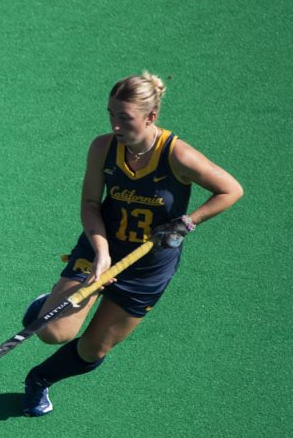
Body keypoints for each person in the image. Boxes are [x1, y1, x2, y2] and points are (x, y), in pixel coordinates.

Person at [19, 72, 243, 416]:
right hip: (101, 247)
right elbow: (91, 204)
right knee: (52, 332)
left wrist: (188, 221)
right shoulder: (103, 147)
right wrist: (102, 253)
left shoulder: (177, 156)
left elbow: (231, 189)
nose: (116, 125)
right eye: (111, 114)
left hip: (148, 266)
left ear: (150, 117)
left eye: (125, 118)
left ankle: (39, 380)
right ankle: (48, 307)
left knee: (94, 349)